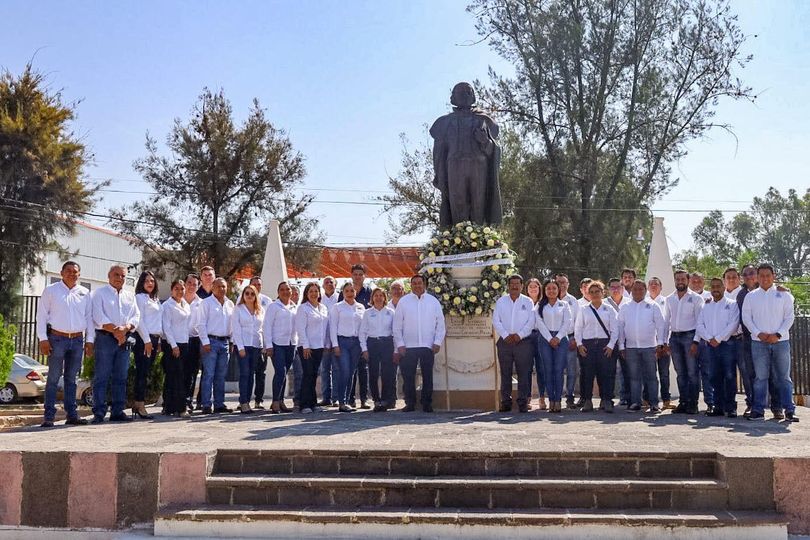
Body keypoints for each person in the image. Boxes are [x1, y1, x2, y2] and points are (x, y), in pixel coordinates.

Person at [36, 261, 94, 428]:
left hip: (77, 340)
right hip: (56, 339)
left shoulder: (84, 293)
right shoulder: (51, 291)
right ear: (61, 273)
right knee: (53, 378)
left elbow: (89, 318)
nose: (72, 274)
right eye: (68, 271)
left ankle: (72, 415)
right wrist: (43, 339)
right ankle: (48, 417)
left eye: (75, 272)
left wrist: (89, 341)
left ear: (79, 275)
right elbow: (41, 316)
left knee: (72, 379)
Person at [742, 263, 798, 422]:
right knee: (760, 377)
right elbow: (746, 318)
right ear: (757, 277)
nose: (765, 278)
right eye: (762, 276)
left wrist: (778, 334)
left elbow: (789, 317)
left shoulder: (784, 295)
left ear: (773, 276)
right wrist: (758, 333)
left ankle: (789, 410)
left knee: (784, 378)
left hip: (781, 342)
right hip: (758, 343)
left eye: (768, 275)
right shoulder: (751, 296)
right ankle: (758, 410)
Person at [90, 264, 140, 423]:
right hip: (105, 338)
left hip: (124, 339)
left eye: (123, 276)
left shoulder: (130, 296)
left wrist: (125, 328)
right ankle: (99, 412)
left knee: (121, 376)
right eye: (116, 275)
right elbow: (98, 316)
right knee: (102, 376)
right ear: (109, 276)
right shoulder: (99, 293)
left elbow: (136, 316)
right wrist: (116, 332)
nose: (120, 278)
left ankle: (118, 411)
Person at [393, 274, 445, 412]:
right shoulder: (404, 302)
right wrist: (400, 344)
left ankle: (426, 402)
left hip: (428, 345)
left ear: (424, 284)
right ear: (411, 285)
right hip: (408, 346)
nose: (417, 285)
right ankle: (410, 402)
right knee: (408, 376)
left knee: (427, 376)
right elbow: (397, 326)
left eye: (419, 283)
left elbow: (440, 324)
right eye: (414, 283)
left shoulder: (433, 301)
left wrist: (437, 342)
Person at [617, 280, 667, 413]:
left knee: (651, 376)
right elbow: (620, 327)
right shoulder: (625, 307)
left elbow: (660, 325)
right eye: (635, 289)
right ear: (631, 291)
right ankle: (635, 402)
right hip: (631, 348)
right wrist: (621, 346)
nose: (638, 292)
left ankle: (654, 403)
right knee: (634, 376)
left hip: (650, 347)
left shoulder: (653, 306)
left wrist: (660, 343)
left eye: (641, 289)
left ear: (645, 290)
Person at [695, 278, 740, 418]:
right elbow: (700, 325)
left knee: (729, 376)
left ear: (723, 287)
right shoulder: (706, 305)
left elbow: (733, 324)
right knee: (714, 377)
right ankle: (718, 406)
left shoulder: (732, 304)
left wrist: (719, 338)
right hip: (710, 346)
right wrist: (710, 338)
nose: (715, 289)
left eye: (718, 286)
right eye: (713, 287)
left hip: (727, 345)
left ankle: (731, 407)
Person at [492, 274, 536, 413]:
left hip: (523, 342)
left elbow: (531, 321)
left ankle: (522, 402)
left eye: (517, 283)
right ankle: (506, 402)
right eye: (512, 284)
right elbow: (496, 321)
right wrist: (505, 335)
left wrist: (520, 335)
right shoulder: (501, 301)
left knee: (524, 373)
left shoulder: (528, 302)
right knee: (505, 373)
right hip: (505, 342)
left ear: (522, 286)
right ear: (508, 285)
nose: (515, 286)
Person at [575, 281, 619, 413]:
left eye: (597, 291)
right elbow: (578, 329)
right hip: (588, 345)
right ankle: (587, 401)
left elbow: (615, 330)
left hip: (605, 345)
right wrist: (579, 344)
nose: (594, 294)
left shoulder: (609, 309)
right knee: (588, 374)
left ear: (602, 292)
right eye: (592, 292)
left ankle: (606, 400)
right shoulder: (583, 309)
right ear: (588, 294)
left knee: (606, 374)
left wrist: (611, 345)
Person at [665, 270, 705, 415]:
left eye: (683, 279)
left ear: (688, 280)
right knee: (680, 373)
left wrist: (696, 342)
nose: (680, 281)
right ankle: (683, 402)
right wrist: (664, 341)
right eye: (677, 279)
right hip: (674, 338)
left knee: (692, 372)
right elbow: (666, 321)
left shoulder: (696, 298)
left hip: (690, 337)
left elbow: (700, 321)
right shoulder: (669, 299)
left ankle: (693, 404)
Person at [197, 277, 234, 414]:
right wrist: (205, 342)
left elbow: (232, 325)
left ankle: (219, 404)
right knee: (209, 374)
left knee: (221, 375)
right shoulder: (206, 303)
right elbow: (200, 324)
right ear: (212, 288)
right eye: (218, 286)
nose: (221, 289)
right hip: (211, 342)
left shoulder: (230, 304)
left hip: (225, 342)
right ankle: (206, 404)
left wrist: (231, 341)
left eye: (224, 286)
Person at [534, 279, 571, 413]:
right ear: (544, 290)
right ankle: (551, 400)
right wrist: (550, 338)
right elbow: (539, 323)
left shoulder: (564, 304)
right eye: (548, 288)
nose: (551, 291)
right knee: (547, 370)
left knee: (558, 370)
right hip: (545, 339)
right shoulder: (540, 305)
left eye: (554, 288)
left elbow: (567, 322)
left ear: (558, 290)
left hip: (561, 339)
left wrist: (558, 337)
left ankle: (558, 400)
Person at [340, 264, 373, 408]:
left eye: (361, 274)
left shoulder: (369, 291)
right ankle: (350, 398)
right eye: (356, 274)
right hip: (347, 340)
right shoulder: (345, 291)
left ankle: (364, 399)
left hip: (364, 339)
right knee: (349, 370)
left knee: (363, 369)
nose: (358, 276)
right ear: (351, 275)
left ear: (364, 276)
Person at [331, 282, 366, 412]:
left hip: (356, 343)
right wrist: (335, 345)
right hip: (342, 342)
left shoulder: (361, 307)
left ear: (355, 292)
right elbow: (333, 327)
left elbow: (363, 328)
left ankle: (346, 401)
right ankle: (342, 402)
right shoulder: (337, 307)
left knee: (351, 373)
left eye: (352, 291)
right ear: (343, 293)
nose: (350, 293)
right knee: (344, 371)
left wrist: (363, 346)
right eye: (347, 291)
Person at [360, 288, 397, 412]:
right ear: (372, 297)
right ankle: (376, 400)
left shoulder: (391, 312)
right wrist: (364, 349)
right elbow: (362, 332)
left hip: (387, 343)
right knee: (373, 373)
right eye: (376, 295)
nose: (378, 298)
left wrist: (396, 349)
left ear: (385, 298)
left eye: (381, 295)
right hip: (372, 343)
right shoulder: (367, 313)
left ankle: (385, 399)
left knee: (387, 373)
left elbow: (395, 331)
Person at [263, 281, 297, 414]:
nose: (285, 292)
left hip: (291, 344)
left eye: (287, 289)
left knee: (284, 373)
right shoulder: (273, 307)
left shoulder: (294, 306)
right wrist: (269, 345)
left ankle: (281, 401)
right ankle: (275, 401)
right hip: (277, 344)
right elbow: (267, 326)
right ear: (278, 292)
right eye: (282, 289)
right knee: (280, 372)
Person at [296, 282, 329, 414]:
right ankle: (304, 404)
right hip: (306, 347)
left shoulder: (323, 308)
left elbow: (325, 329)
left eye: (316, 291)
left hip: (319, 347)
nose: (314, 293)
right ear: (306, 294)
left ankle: (313, 403)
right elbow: (300, 328)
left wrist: (326, 344)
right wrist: (305, 345)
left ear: (319, 293)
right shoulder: (303, 308)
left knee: (314, 375)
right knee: (307, 374)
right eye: (311, 291)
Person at [160, 279, 191, 418]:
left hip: (184, 342)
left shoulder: (186, 304)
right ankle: (179, 407)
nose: (179, 291)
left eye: (182, 288)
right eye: (176, 289)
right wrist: (174, 345)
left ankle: (170, 406)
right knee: (176, 376)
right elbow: (166, 327)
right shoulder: (167, 305)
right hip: (173, 344)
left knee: (181, 375)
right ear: (172, 290)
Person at [231, 285, 264, 414]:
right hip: (243, 346)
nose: (249, 296)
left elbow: (262, 329)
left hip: (256, 346)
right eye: (247, 293)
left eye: (252, 294)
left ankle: (248, 402)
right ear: (243, 295)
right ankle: (243, 402)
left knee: (251, 374)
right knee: (244, 374)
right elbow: (236, 329)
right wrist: (240, 347)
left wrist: (264, 345)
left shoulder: (260, 310)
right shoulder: (238, 309)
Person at [133, 270, 161, 420]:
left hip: (155, 339)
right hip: (145, 340)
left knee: (146, 372)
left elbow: (158, 321)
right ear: (141, 283)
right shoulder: (139, 298)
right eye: (146, 281)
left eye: (152, 281)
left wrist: (159, 340)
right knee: (142, 373)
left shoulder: (154, 299)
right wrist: (147, 340)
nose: (150, 283)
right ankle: (139, 403)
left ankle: (139, 402)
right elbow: (139, 320)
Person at [555, 273, 583, 410]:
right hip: (554, 340)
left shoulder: (573, 301)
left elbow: (578, 322)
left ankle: (570, 396)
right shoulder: (549, 299)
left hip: (570, 338)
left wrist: (576, 339)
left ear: (568, 284)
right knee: (557, 369)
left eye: (564, 282)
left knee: (572, 371)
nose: (561, 284)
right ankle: (556, 397)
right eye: (559, 282)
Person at [646, 277, 673, 409]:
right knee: (649, 374)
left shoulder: (666, 301)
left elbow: (668, 324)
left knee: (664, 374)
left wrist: (665, 343)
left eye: (656, 284)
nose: (653, 286)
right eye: (651, 284)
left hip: (664, 345)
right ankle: (647, 400)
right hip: (649, 345)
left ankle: (666, 401)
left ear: (661, 287)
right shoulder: (644, 302)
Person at [688, 271, 714, 411]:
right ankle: (692, 403)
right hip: (689, 339)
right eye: (693, 281)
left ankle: (710, 402)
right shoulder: (685, 296)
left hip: (706, 340)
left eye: (699, 281)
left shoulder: (711, 296)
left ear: (704, 282)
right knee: (691, 373)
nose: (696, 284)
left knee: (707, 372)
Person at [606, 278, 631, 407]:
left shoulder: (629, 303)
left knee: (626, 370)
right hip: (609, 342)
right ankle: (608, 398)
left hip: (626, 341)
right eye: (613, 287)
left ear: (623, 289)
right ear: (608, 289)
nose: (615, 290)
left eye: (618, 287)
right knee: (609, 371)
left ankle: (626, 396)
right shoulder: (604, 303)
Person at [249, 276, 273, 410]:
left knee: (260, 373)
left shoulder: (267, 301)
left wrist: (266, 344)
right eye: (254, 284)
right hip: (247, 344)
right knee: (247, 373)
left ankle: (259, 400)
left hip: (261, 344)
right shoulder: (243, 299)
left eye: (259, 285)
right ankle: (245, 400)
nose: (257, 287)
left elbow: (268, 325)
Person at [182, 273, 203, 413]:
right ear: (184, 284)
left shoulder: (201, 303)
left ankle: (188, 400)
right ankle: (173, 400)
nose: (191, 286)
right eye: (189, 283)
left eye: (195, 284)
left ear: (198, 286)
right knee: (178, 372)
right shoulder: (177, 300)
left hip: (194, 340)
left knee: (192, 372)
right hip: (179, 341)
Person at [318, 276, 340, 407]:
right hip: (323, 341)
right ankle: (326, 397)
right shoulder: (319, 299)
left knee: (337, 369)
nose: (329, 284)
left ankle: (336, 397)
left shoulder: (340, 298)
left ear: (335, 284)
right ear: (323, 285)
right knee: (325, 370)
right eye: (326, 282)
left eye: (331, 282)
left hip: (337, 340)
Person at [525, 277, 546, 410]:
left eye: (536, 286)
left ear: (540, 288)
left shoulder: (544, 303)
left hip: (541, 336)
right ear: (526, 289)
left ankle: (542, 397)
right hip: (526, 337)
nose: (533, 288)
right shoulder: (523, 303)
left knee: (541, 369)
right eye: (530, 286)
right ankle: (527, 398)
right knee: (526, 368)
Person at [289, 284, 304, 409]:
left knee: (300, 373)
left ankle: (298, 399)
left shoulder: (301, 308)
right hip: (286, 344)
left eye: (296, 294)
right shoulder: (282, 307)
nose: (294, 295)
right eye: (292, 293)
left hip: (299, 345)